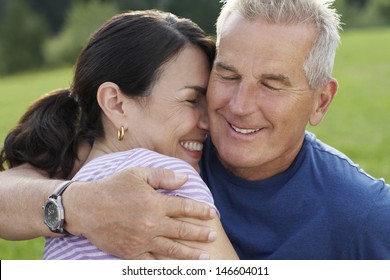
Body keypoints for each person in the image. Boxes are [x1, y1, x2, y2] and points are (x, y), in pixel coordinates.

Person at [1, 0, 390, 260]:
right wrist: (81, 206)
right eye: (227, 75)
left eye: (272, 84)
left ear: (321, 101)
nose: (237, 107)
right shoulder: (155, 152)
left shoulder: (364, 213)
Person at [0, 10, 237, 260]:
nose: (208, 121)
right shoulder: (168, 180)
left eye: (207, 100)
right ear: (116, 104)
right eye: (191, 100)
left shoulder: (71, 189)